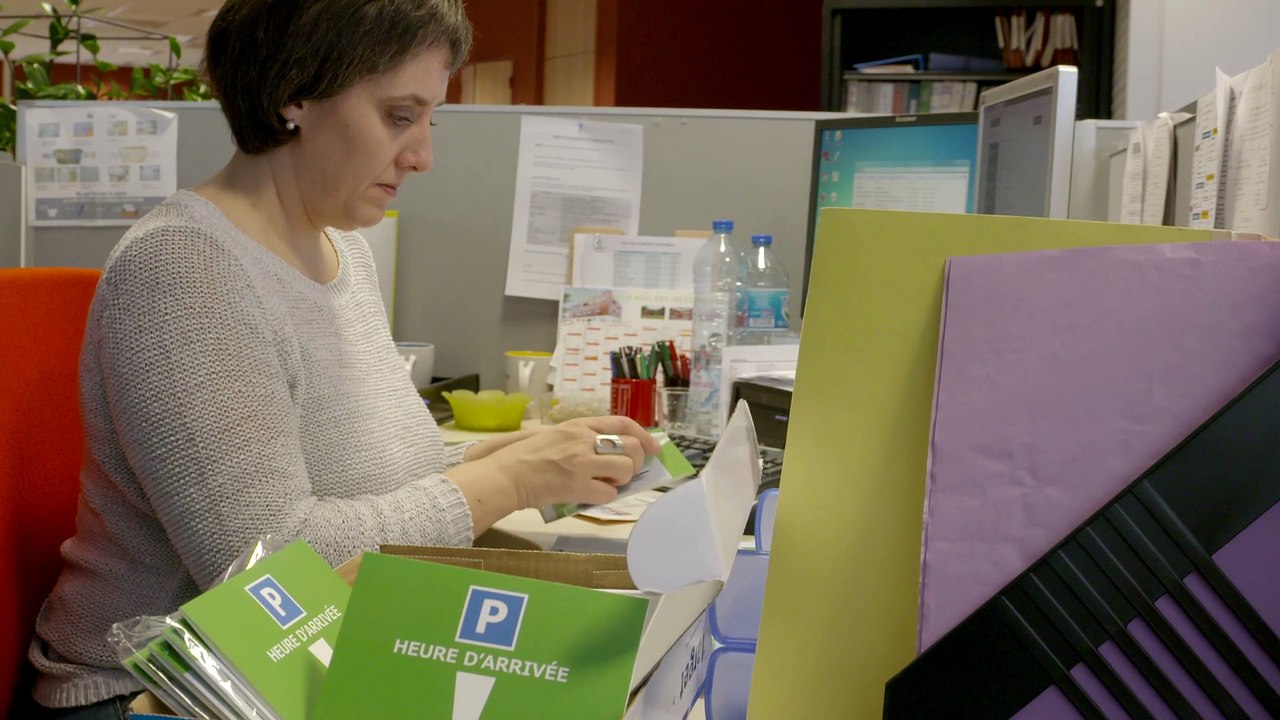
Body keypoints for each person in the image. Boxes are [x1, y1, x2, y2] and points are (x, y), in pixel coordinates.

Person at [25, 0, 659, 716]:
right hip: (154, 693)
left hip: (296, 671)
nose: (422, 155)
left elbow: (385, 479)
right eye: (398, 117)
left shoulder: (342, 251)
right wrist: (511, 482)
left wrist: (537, 456)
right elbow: (276, 574)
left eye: (429, 122)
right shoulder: (183, 269)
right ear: (294, 93)